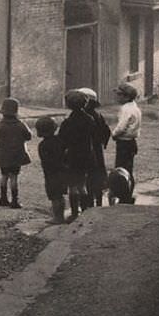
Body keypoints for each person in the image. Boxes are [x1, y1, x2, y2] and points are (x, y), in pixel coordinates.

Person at [57, 90, 96, 220]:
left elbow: (61, 141)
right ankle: (85, 211)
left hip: (72, 156)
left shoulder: (67, 123)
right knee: (82, 184)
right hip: (86, 154)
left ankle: (74, 213)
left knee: (72, 186)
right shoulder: (89, 119)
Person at [0, 98, 32, 209]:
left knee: (4, 176)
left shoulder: (0, 125)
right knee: (14, 177)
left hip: (3, 155)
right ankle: (15, 200)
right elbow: (29, 136)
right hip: (16, 155)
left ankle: (3, 198)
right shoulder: (20, 124)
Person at [80, 88, 111, 207]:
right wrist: (102, 143)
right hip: (97, 149)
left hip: (87, 149)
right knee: (97, 175)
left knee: (88, 177)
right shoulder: (98, 115)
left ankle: (88, 203)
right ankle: (98, 201)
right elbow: (106, 131)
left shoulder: (86, 116)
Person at [112, 81, 142, 199]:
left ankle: (123, 195)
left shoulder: (125, 109)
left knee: (121, 170)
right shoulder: (135, 108)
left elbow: (122, 126)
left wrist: (114, 134)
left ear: (126, 97)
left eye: (119, 95)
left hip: (124, 142)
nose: (117, 97)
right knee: (129, 168)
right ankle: (128, 192)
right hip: (132, 142)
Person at [35, 115, 67, 224]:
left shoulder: (43, 145)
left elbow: (46, 161)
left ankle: (58, 217)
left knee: (54, 196)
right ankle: (61, 215)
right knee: (60, 195)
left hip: (51, 173)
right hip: (62, 171)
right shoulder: (60, 140)